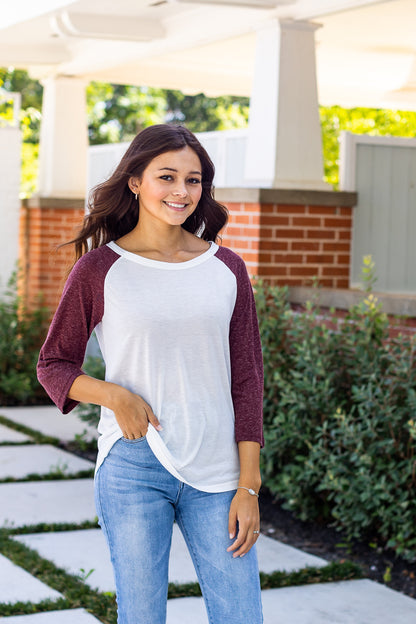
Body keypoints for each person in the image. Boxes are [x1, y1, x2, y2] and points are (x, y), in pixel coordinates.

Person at [37, 124, 264, 624]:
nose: (182, 192)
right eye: (167, 176)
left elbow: (247, 381)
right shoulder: (99, 269)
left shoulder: (226, 268)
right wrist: (114, 395)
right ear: (135, 181)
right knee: (142, 616)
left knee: (241, 614)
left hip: (218, 470)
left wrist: (249, 485)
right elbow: (53, 365)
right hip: (133, 467)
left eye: (194, 180)